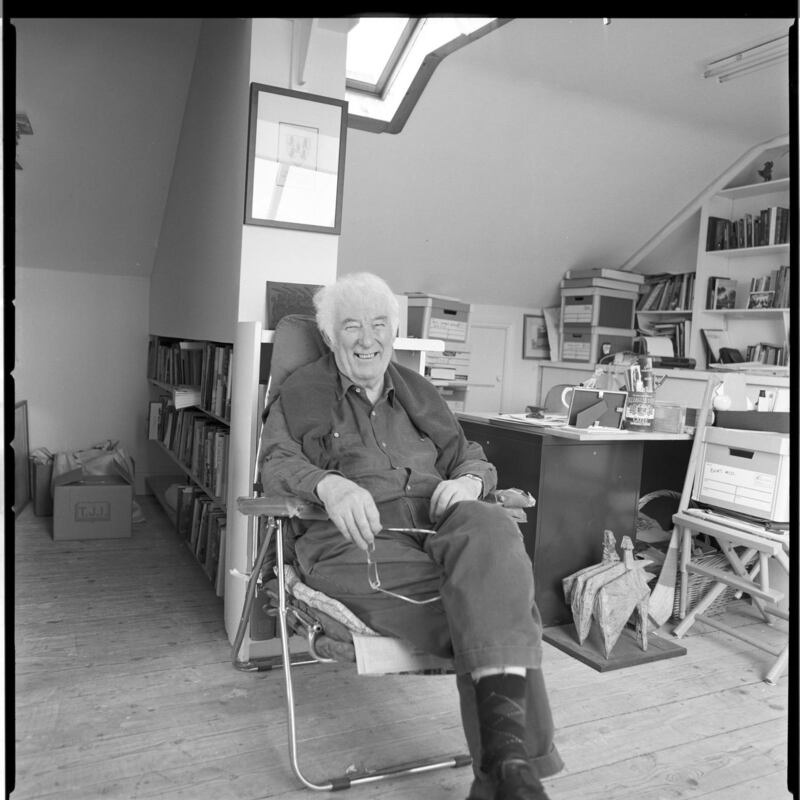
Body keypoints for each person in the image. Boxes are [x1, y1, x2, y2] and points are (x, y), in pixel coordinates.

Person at [259, 272, 563, 800]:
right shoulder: (300, 391)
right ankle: (511, 769)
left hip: (437, 522)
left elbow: (469, 456)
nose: (367, 338)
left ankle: (507, 767)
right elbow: (276, 462)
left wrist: (469, 481)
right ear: (329, 337)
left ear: (393, 332)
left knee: (492, 525)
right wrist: (328, 484)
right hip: (356, 537)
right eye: (351, 326)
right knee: (495, 601)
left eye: (379, 324)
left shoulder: (419, 391)